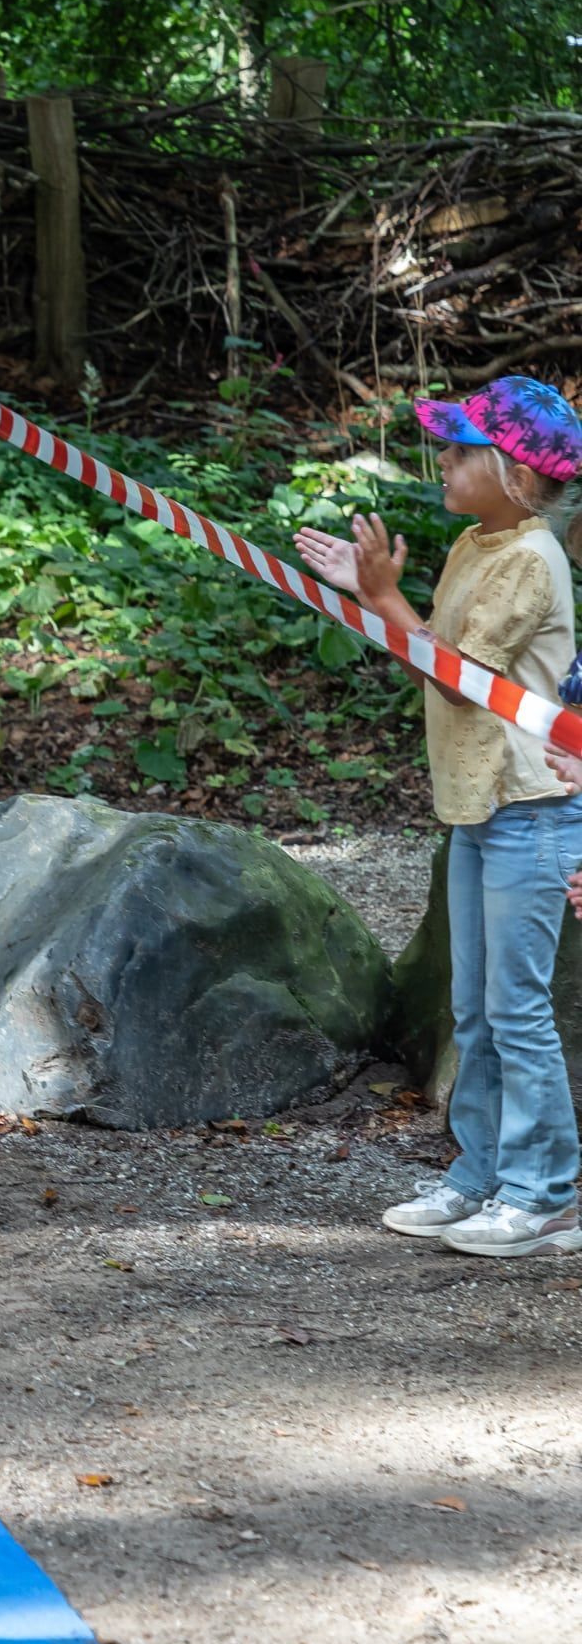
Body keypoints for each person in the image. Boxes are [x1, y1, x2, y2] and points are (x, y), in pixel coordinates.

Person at [296, 375, 582, 1258]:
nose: (446, 462)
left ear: (515, 473)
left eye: (462, 451)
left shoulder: (533, 559)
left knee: (517, 1009)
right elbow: (436, 664)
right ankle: (480, 1175)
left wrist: (382, 596)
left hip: (531, 810)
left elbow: (462, 678)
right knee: (474, 1010)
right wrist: (369, 593)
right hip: (475, 805)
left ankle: (549, 1193)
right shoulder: (472, 544)